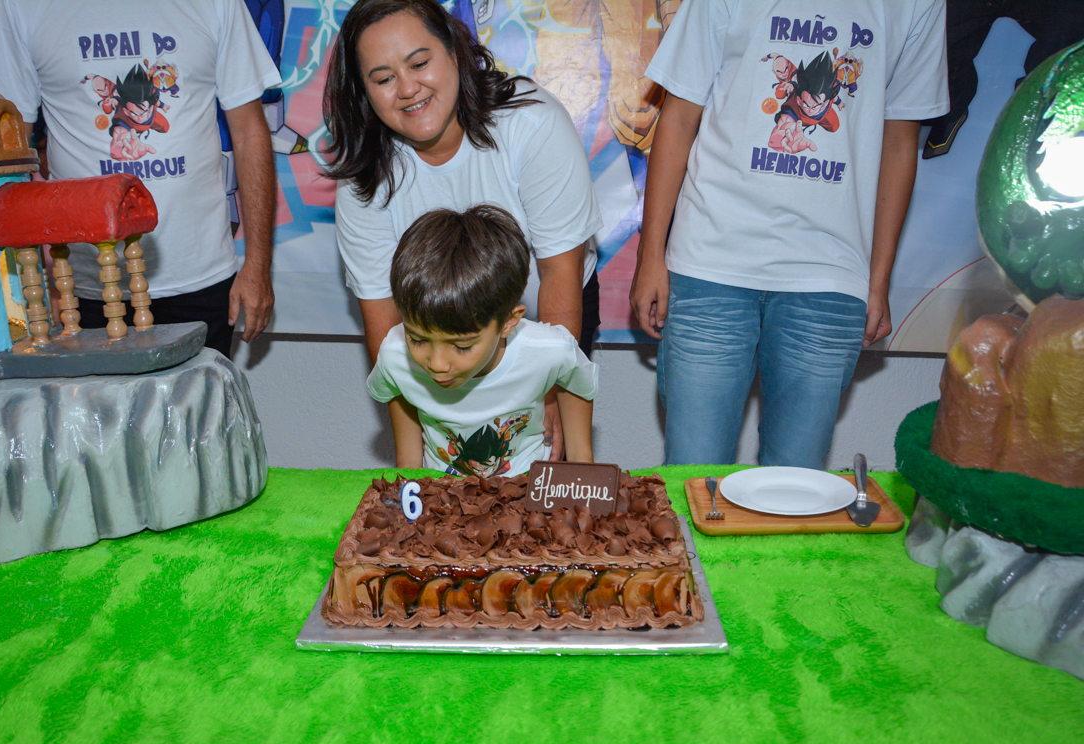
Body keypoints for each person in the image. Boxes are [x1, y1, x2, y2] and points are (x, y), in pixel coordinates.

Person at [630, 0, 949, 469]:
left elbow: (900, 139)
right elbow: (678, 117)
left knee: (796, 490)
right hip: (710, 261)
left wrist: (877, 281)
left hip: (828, 276)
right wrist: (650, 256)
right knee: (694, 480)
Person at [323, 0, 603, 457]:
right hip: (435, 334)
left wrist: (547, 391)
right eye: (384, 78)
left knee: (545, 464)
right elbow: (386, 326)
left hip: (545, 310)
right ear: (364, 91)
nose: (408, 88)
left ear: (454, 52)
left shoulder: (532, 124)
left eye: (419, 63)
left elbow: (558, 271)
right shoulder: (364, 181)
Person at [0, 0, 282, 357]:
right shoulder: (18, 6)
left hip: (202, 278)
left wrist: (258, 264)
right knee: (93, 413)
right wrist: (42, 283)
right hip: (82, 286)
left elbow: (249, 134)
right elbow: (5, 149)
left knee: (201, 410)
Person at [368, 205, 598, 478]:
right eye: (417, 339)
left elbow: (576, 383)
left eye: (462, 346)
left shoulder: (550, 349)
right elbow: (407, 457)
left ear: (508, 322)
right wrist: (409, 479)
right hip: (442, 499)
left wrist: (582, 469)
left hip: (528, 493)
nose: (437, 364)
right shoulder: (395, 356)